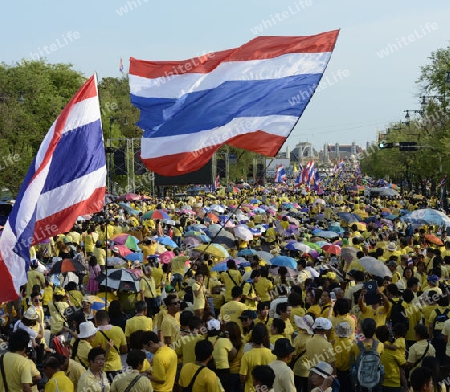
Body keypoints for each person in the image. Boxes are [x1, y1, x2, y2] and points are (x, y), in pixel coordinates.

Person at [92, 310, 128, 383]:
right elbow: (124, 349)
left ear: (96, 321)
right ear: (109, 319)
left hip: (100, 368)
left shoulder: (93, 334)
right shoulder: (118, 329)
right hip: (116, 367)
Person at [240, 324, 276, 392]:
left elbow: (243, 377)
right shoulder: (272, 354)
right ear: (264, 337)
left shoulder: (246, 355)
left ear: (252, 337)